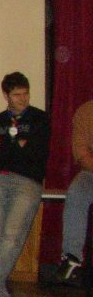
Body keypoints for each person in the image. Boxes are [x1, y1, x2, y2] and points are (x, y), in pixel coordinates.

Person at [0, 72, 50, 297]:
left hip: (28, 181)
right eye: (17, 95)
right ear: (6, 95)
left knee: (11, 236)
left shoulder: (40, 119)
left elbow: (36, 154)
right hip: (0, 178)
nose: (23, 99)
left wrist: (4, 144)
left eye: (26, 93)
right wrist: (17, 145)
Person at [49, 99, 93, 286]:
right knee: (77, 191)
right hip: (91, 172)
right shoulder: (86, 112)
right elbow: (82, 154)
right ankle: (72, 257)